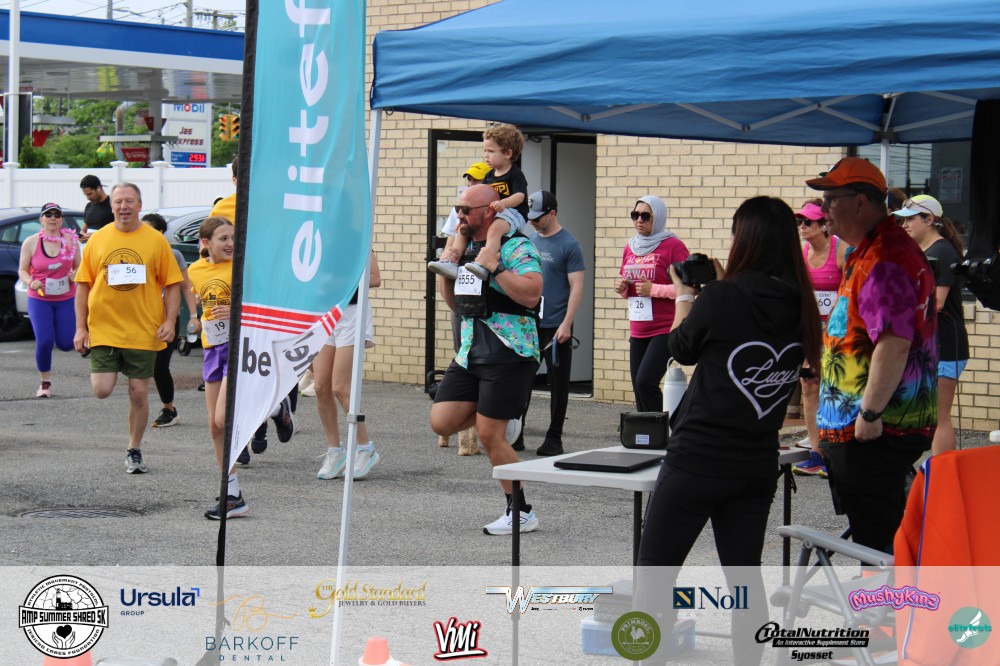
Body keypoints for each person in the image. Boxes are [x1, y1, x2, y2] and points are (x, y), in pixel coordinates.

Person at [634, 196, 822, 666]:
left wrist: (686, 294)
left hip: (698, 457)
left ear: (745, 240)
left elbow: (681, 348)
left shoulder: (722, 297)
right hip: (755, 464)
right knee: (744, 581)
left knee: (654, 576)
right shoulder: (799, 302)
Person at [808, 157, 937, 553]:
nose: (824, 211)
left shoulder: (885, 258)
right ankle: (885, 591)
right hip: (869, 427)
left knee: (878, 541)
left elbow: (894, 343)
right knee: (877, 532)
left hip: (877, 428)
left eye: (831, 200)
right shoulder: (869, 250)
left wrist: (869, 412)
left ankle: (886, 595)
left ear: (860, 202)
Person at [429, 184, 542, 535]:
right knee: (441, 422)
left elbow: (532, 294)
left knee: (490, 435)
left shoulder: (517, 246)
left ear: (489, 211)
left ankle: (520, 511)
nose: (459, 215)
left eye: (466, 210)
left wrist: (496, 270)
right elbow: (456, 305)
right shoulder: (465, 249)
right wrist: (448, 273)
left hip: (509, 350)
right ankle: (499, 414)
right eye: (458, 208)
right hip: (470, 351)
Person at [73, 183, 183, 474]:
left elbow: (173, 284)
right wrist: (80, 328)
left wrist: (169, 321)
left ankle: (134, 449)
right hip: (105, 328)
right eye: (119, 201)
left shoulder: (155, 241)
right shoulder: (98, 240)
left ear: (139, 205)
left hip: (143, 329)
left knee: (138, 392)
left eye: (130, 201)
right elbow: (83, 286)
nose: (124, 206)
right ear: (111, 207)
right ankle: (114, 365)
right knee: (102, 390)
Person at [208, 154, 295, 454]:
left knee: (256, 365)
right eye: (242, 175)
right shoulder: (222, 208)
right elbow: (211, 248)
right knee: (238, 369)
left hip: (263, 294)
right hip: (232, 294)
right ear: (234, 179)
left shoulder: (277, 206)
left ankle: (273, 410)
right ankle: (243, 435)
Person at [894, 194, 969, 455]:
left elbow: (936, 303)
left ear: (929, 219)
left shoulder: (943, 252)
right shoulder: (922, 252)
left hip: (946, 345)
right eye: (902, 220)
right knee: (927, 415)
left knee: (940, 416)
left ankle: (943, 472)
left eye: (910, 219)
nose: (904, 226)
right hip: (927, 345)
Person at [187, 216, 247, 518]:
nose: (230, 244)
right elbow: (200, 296)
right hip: (212, 347)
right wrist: (199, 310)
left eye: (233, 237)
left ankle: (275, 408)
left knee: (224, 418)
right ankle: (232, 494)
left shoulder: (243, 267)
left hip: (238, 346)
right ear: (206, 243)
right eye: (223, 238)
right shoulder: (195, 270)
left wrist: (235, 310)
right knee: (214, 425)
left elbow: (260, 306)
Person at [518, 190, 585, 456]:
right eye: (531, 217)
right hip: (531, 324)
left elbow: (577, 286)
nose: (533, 222)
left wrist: (567, 323)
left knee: (558, 384)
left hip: (557, 325)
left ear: (553, 213)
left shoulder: (569, 244)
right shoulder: (531, 240)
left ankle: (554, 437)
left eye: (537, 217)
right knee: (522, 381)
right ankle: (516, 433)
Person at [613, 195, 690, 412]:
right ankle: (646, 428)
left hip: (665, 327)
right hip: (639, 327)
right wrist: (623, 288)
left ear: (658, 218)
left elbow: (688, 288)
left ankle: (660, 427)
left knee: (645, 381)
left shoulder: (673, 246)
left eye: (645, 216)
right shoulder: (630, 247)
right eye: (635, 215)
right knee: (639, 387)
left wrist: (654, 289)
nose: (639, 220)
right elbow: (631, 288)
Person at [427, 124, 529, 282]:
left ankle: (484, 262)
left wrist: (504, 203)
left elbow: (520, 196)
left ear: (508, 153)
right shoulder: (489, 175)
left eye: (491, 151)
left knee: (495, 229)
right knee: (464, 229)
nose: (486, 155)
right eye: (485, 151)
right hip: (495, 212)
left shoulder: (515, 174)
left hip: (513, 214)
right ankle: (452, 260)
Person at [792, 200, 849, 477]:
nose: (802, 227)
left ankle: (838, 452)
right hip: (812, 331)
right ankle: (817, 452)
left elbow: (851, 291)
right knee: (809, 384)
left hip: (839, 332)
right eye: (799, 222)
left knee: (835, 388)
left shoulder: (841, 250)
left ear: (824, 225)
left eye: (808, 222)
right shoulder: (802, 253)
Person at [316, 251, 382, 480]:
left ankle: (364, 447)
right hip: (325, 312)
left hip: (352, 313)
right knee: (320, 387)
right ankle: (335, 451)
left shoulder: (359, 242)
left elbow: (375, 278)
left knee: (341, 388)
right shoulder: (320, 241)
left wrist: (337, 281)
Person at [17, 203, 81, 398]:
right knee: (44, 341)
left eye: (57, 215)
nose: (53, 218)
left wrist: (75, 274)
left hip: (66, 298)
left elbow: (80, 266)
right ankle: (45, 382)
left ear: (61, 220)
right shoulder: (31, 242)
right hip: (40, 299)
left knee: (66, 343)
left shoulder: (71, 241)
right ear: (41, 219)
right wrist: (31, 281)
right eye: (48, 215)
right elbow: (22, 270)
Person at [142, 212, 200, 428]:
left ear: (159, 233)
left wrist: (193, 316)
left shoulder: (173, 255)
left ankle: (169, 409)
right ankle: (138, 406)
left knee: (160, 366)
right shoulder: (136, 252)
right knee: (138, 365)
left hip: (166, 318)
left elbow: (186, 286)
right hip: (140, 317)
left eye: (148, 230)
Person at [79, 175, 114, 240]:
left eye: (90, 194)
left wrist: (96, 236)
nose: (88, 198)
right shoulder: (89, 206)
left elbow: (120, 230)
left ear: (98, 189)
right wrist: (82, 237)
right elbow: (83, 231)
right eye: (86, 195)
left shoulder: (113, 204)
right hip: (90, 245)